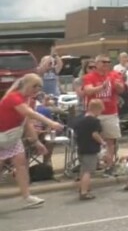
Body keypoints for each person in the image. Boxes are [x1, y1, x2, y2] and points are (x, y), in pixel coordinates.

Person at [0, 73, 63, 209]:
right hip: (2, 135)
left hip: (12, 136)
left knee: (21, 165)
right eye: (35, 87)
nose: (37, 90)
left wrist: (36, 142)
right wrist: (50, 123)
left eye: (39, 88)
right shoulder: (13, 97)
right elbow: (29, 113)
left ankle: (27, 196)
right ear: (27, 85)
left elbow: (27, 122)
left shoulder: (27, 99)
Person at [81, 54, 125, 174]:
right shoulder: (89, 77)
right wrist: (101, 87)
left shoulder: (114, 75)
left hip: (111, 112)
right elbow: (88, 90)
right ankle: (94, 165)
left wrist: (118, 85)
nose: (106, 64)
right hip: (94, 114)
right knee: (93, 140)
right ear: (97, 64)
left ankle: (109, 166)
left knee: (111, 140)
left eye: (108, 62)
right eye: (103, 62)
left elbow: (121, 90)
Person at [72, 99, 105, 200]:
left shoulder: (80, 120)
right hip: (90, 148)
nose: (100, 113)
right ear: (97, 109)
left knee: (83, 170)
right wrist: (102, 142)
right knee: (88, 171)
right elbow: (95, 134)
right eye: (100, 111)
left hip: (81, 146)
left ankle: (83, 187)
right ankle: (84, 192)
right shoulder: (95, 121)